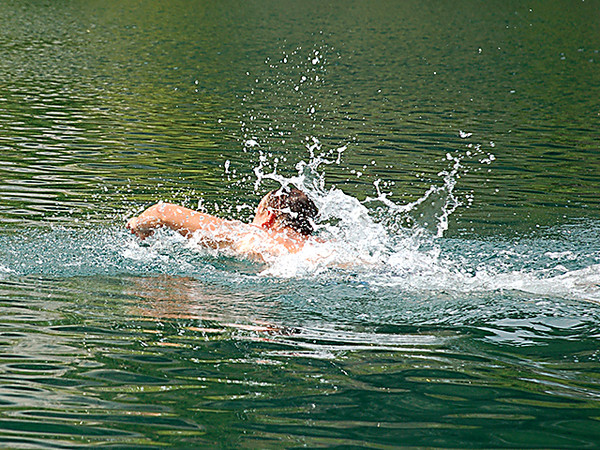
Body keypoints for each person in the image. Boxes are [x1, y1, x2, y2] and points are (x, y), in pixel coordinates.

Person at [126, 187, 319, 260]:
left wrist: (138, 224)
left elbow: (163, 212)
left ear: (268, 217)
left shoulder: (252, 237)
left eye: (256, 212)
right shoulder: (320, 248)